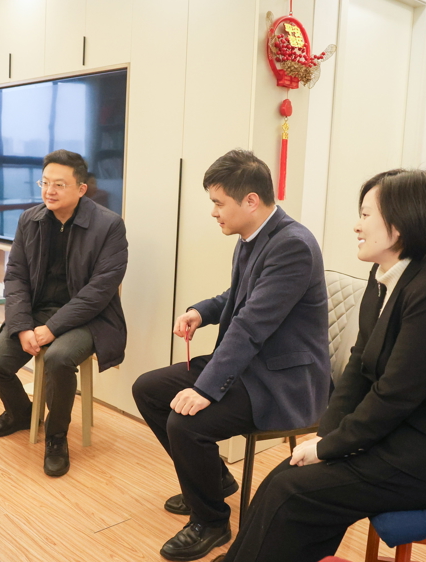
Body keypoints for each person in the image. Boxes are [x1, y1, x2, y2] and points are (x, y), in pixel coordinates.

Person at [219, 169, 426, 562]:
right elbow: (358, 367)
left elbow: (394, 396)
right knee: (285, 477)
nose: (357, 225)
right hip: (406, 434)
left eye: (366, 215)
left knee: (293, 492)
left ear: (401, 225)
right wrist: (326, 437)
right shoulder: (387, 276)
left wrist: (331, 447)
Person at [132, 149, 330, 561]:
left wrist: (205, 389)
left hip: (280, 380)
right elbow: (237, 298)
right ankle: (214, 481)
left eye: (218, 203)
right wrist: (201, 312)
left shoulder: (292, 246)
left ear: (251, 201)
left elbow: (251, 325)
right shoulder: (252, 237)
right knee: (148, 389)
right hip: (248, 366)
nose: (214, 212)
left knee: (186, 423)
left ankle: (211, 522)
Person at [0, 149, 128, 477]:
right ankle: (21, 413)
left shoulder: (109, 226)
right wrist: (22, 326)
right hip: (36, 312)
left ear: (81, 189)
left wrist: (52, 329)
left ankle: (57, 437)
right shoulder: (29, 220)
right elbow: (15, 276)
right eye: (45, 182)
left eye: (59, 184)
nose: (49, 191)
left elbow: (99, 291)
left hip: (90, 318)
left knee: (58, 359)